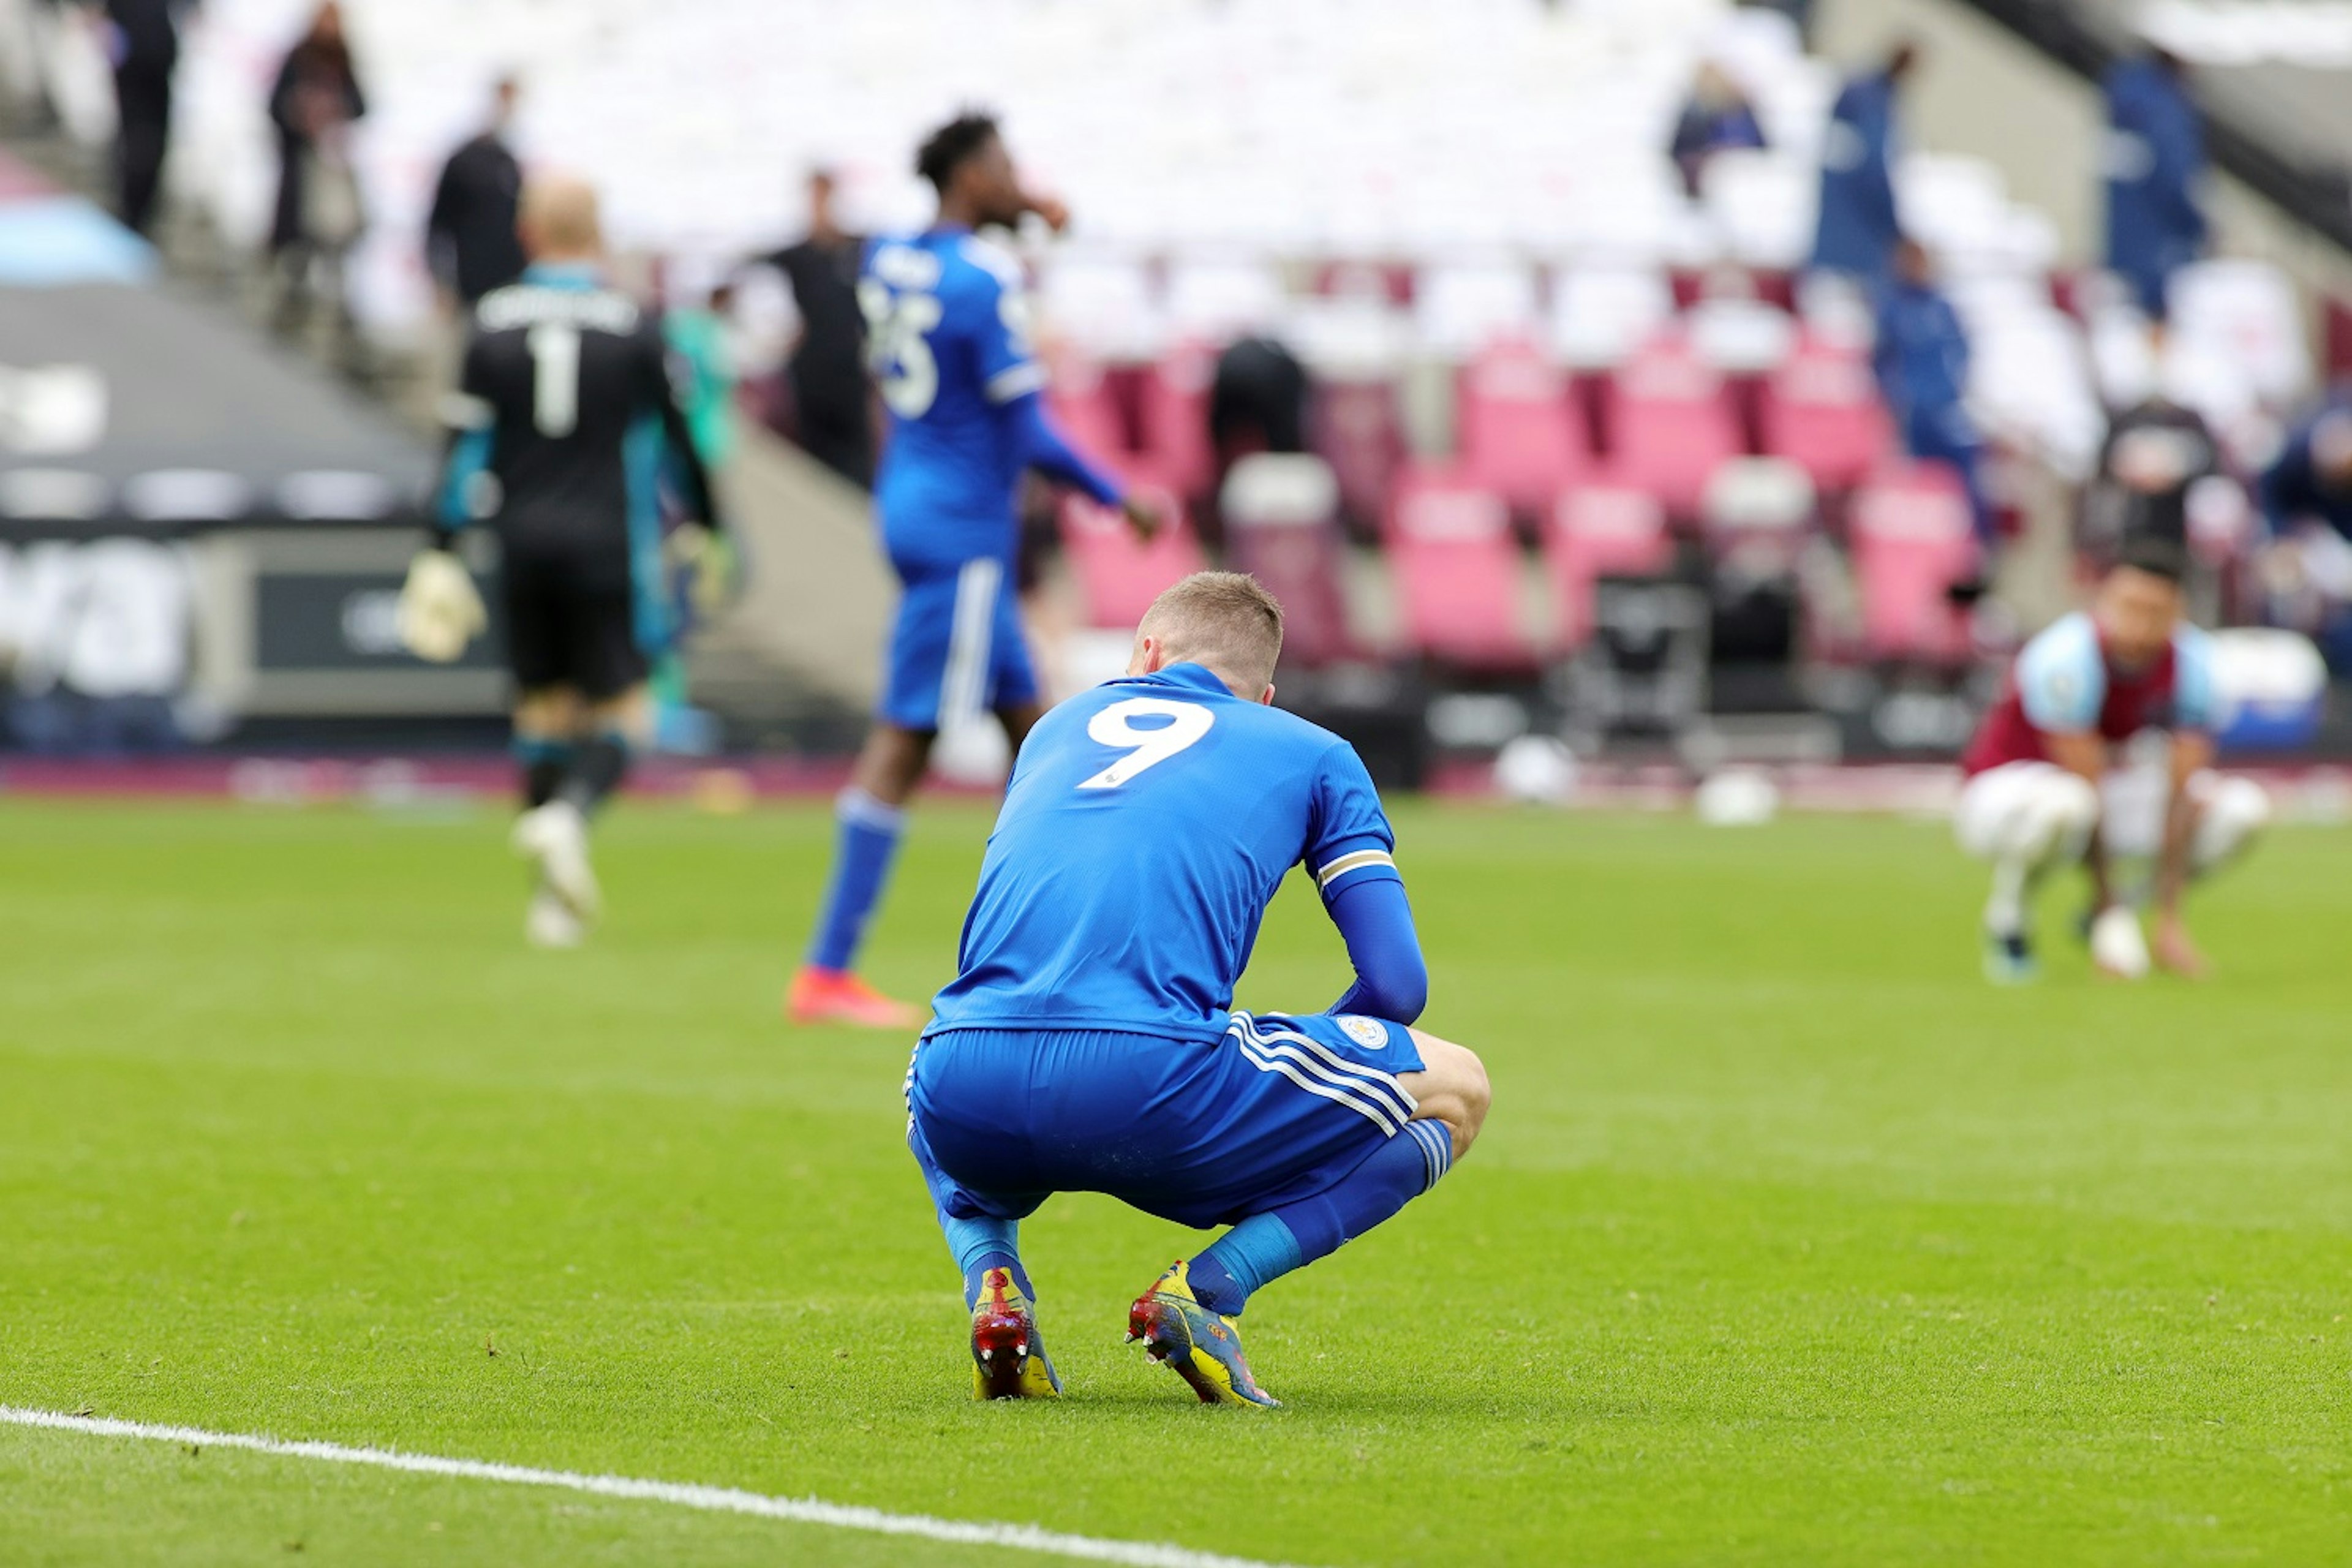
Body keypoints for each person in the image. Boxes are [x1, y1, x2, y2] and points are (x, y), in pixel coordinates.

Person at [906, 572, 1491, 1404]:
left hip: (968, 1089)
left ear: (1144, 654)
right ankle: (1210, 1292)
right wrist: (1294, 1099)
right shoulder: (1312, 750)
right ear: (1265, 693)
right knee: (1459, 1087)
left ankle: (995, 1287)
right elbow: (1398, 985)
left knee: (931, 1056)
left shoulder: (1053, 730)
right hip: (1157, 1088)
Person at [786, 111, 1156, 1028]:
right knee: (907, 738)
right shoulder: (984, 279)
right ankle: (827, 971)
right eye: (1005, 165)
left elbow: (958, 264)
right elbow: (1026, 429)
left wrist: (1025, 213)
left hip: (912, 497)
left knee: (1036, 739)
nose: (1019, 176)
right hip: (963, 527)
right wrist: (1118, 494)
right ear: (972, 174)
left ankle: (1062, 954)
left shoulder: (892, 258)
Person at [397, 176, 727, 948]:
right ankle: (569, 817)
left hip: (520, 539)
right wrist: (707, 528)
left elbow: (459, 450)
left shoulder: (490, 324)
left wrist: (437, 550)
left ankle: (548, 905)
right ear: (597, 232)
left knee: (541, 714)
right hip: (605, 543)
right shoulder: (636, 326)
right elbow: (682, 445)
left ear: (528, 232)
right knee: (628, 714)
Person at [1953, 537, 2266, 985]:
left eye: (2153, 609)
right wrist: (2110, 912)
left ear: (2176, 612)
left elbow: (2181, 788)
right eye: (2128, 604)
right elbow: (2088, 783)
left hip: (2107, 790)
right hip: (2006, 796)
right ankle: (2011, 922)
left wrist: (2169, 919)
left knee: (2239, 811)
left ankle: (2115, 912)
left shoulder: (2195, 665)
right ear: (2105, 600)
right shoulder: (2066, 657)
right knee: (2068, 805)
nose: (2137, 621)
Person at [1875, 237, 1992, 544]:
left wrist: (1954, 387)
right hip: (1913, 412)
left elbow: (1962, 350)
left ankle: (1977, 546)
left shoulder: (1942, 308)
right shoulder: (1892, 309)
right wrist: (1896, 397)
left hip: (1946, 406)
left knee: (1967, 479)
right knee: (1920, 486)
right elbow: (1880, 360)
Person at [764, 170, 873, 488]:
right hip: (811, 374)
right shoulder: (793, 257)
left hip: (850, 373)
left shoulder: (857, 249)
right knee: (818, 469)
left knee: (856, 467)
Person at [265, 2, 366, 342]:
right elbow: (275, 105)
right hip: (301, 167)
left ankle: (327, 322)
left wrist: (336, 113)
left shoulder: (343, 62)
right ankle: (288, 308)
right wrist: (299, 114)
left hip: (328, 168)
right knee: (296, 244)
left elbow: (362, 104)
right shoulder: (299, 58)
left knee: (331, 238)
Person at [2103, 48, 2206, 319]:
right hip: (2162, 253)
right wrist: (2199, 225)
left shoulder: (2124, 99)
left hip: (2122, 249)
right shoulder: (2164, 109)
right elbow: (2173, 178)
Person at [1811, 40, 1915, 285]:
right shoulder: (1869, 102)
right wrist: (1895, 230)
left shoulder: (1864, 95)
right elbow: (1874, 169)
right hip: (1855, 233)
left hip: (1839, 231)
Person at [424, 74, 527, 310]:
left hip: (511, 283)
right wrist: (441, 281)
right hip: (472, 282)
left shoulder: (510, 159)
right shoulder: (464, 160)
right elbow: (438, 224)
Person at [94, 0, 183, 236]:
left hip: (152, 60)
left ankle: (136, 218)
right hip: (140, 63)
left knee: (145, 144)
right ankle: (132, 218)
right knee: (139, 143)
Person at [1669, 61, 1767, 200]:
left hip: (1743, 174)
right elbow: (1681, 148)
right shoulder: (1694, 113)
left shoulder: (1743, 110)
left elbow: (1761, 146)